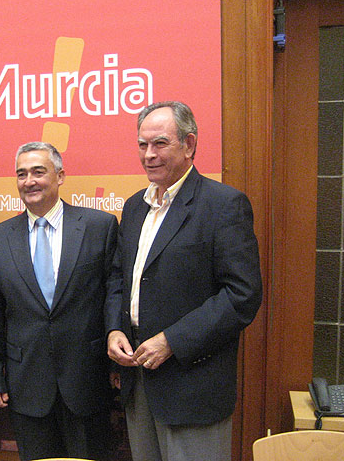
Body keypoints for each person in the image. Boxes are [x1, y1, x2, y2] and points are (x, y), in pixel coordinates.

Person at [107, 101, 262, 461]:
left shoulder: (224, 204)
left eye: (160, 143)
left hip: (193, 384)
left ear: (189, 144)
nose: (149, 154)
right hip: (138, 379)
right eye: (142, 145)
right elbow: (118, 279)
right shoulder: (134, 207)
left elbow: (242, 295)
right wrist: (114, 329)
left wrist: (171, 341)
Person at [0, 142, 120, 461]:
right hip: (26, 385)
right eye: (22, 174)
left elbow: (114, 296)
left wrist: (115, 363)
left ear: (60, 176)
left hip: (87, 381)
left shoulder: (99, 227)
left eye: (39, 172)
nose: (29, 181)